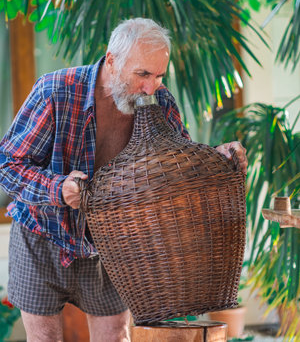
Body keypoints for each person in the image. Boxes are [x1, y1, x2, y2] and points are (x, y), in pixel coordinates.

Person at [0, 18, 247, 342]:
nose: (151, 87)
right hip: (42, 235)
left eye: (159, 75)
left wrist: (219, 155)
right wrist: (57, 188)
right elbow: (7, 165)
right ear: (112, 60)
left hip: (110, 246)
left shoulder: (160, 99)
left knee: (115, 338)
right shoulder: (55, 91)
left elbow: (176, 165)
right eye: (143, 74)